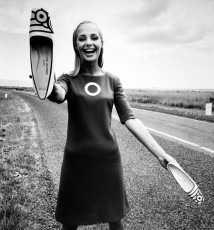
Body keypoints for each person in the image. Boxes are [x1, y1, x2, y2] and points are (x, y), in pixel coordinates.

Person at [48, 21, 177, 230]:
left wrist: (161, 154)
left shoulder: (113, 80)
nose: (88, 43)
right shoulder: (68, 79)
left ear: (101, 43)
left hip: (108, 162)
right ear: (75, 45)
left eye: (94, 37)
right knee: (70, 222)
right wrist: (47, 84)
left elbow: (130, 118)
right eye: (82, 38)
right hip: (76, 163)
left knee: (116, 220)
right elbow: (58, 94)